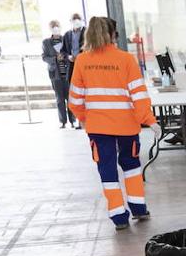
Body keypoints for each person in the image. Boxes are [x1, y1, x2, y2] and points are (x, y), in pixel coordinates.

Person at [68, 17, 159, 231]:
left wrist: (85, 119)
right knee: (131, 167)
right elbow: (139, 95)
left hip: (98, 128)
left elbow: (75, 100)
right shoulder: (126, 59)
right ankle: (139, 209)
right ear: (113, 35)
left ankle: (119, 217)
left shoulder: (82, 61)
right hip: (126, 126)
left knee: (107, 170)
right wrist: (150, 120)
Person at [41, 20, 75, 129]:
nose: (55, 28)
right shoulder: (46, 42)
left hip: (67, 72)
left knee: (70, 98)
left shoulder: (66, 39)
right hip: (55, 73)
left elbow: (70, 53)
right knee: (59, 99)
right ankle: (63, 121)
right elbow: (44, 57)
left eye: (57, 26)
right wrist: (55, 59)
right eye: (53, 27)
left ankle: (73, 120)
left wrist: (66, 57)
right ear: (50, 28)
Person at [61, 13, 86, 130]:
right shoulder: (67, 35)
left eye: (78, 19)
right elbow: (63, 51)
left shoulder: (87, 32)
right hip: (72, 66)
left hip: (84, 65)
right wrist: (68, 57)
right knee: (75, 92)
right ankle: (78, 120)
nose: (76, 22)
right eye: (74, 20)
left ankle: (85, 119)